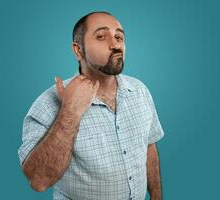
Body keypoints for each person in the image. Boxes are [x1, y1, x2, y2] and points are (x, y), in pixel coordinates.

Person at [18, 11, 164, 200]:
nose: (115, 44)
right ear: (78, 50)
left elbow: (148, 147)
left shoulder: (140, 90)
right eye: (102, 37)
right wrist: (70, 110)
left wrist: (157, 196)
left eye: (119, 37)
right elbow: (38, 181)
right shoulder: (48, 103)